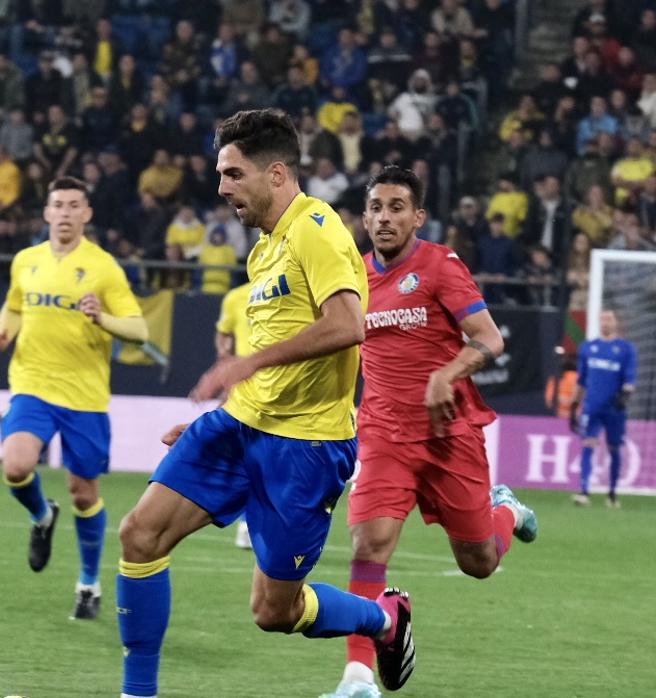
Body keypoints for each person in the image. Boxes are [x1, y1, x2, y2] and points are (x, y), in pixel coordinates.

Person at [115, 109, 414, 698]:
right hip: (238, 428)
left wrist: (246, 364)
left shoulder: (317, 227)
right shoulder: (263, 249)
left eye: (232, 174)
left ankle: (384, 619)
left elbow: (349, 324)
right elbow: (278, 345)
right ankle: (137, 693)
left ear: (276, 173)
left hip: (305, 447)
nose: (221, 187)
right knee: (139, 535)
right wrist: (229, 405)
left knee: (274, 611)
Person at [320, 166, 539, 698]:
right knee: (369, 545)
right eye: (376, 207)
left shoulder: (440, 266)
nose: (384, 217)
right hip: (383, 434)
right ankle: (357, 678)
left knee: (480, 561)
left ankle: (505, 508)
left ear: (417, 216)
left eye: (397, 207)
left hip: (448, 436)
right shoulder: (351, 276)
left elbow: (489, 338)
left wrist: (446, 373)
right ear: (364, 216)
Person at [0, 176, 148, 620]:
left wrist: (102, 317)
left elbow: (139, 330)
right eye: (59, 205)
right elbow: (14, 307)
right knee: (15, 465)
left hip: (84, 395)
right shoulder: (26, 261)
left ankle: (88, 585)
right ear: (47, 212)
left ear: (87, 214)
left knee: (84, 493)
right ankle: (40, 514)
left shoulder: (104, 267)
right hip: (32, 383)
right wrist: (1, 335)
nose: (66, 213)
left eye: (75, 205)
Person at [572, 309, 637, 508]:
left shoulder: (626, 349)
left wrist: (625, 395)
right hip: (592, 406)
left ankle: (612, 493)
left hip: (614, 409)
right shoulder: (588, 348)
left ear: (616, 323)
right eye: (603, 319)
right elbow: (581, 380)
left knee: (614, 448)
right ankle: (584, 492)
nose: (605, 323)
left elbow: (630, 380)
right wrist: (575, 403)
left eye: (609, 319)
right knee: (588, 445)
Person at [213, 281, 253, 550]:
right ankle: (245, 522)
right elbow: (223, 333)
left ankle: (251, 522)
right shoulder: (236, 297)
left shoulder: (294, 286)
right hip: (245, 384)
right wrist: (225, 363)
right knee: (244, 456)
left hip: (283, 383)